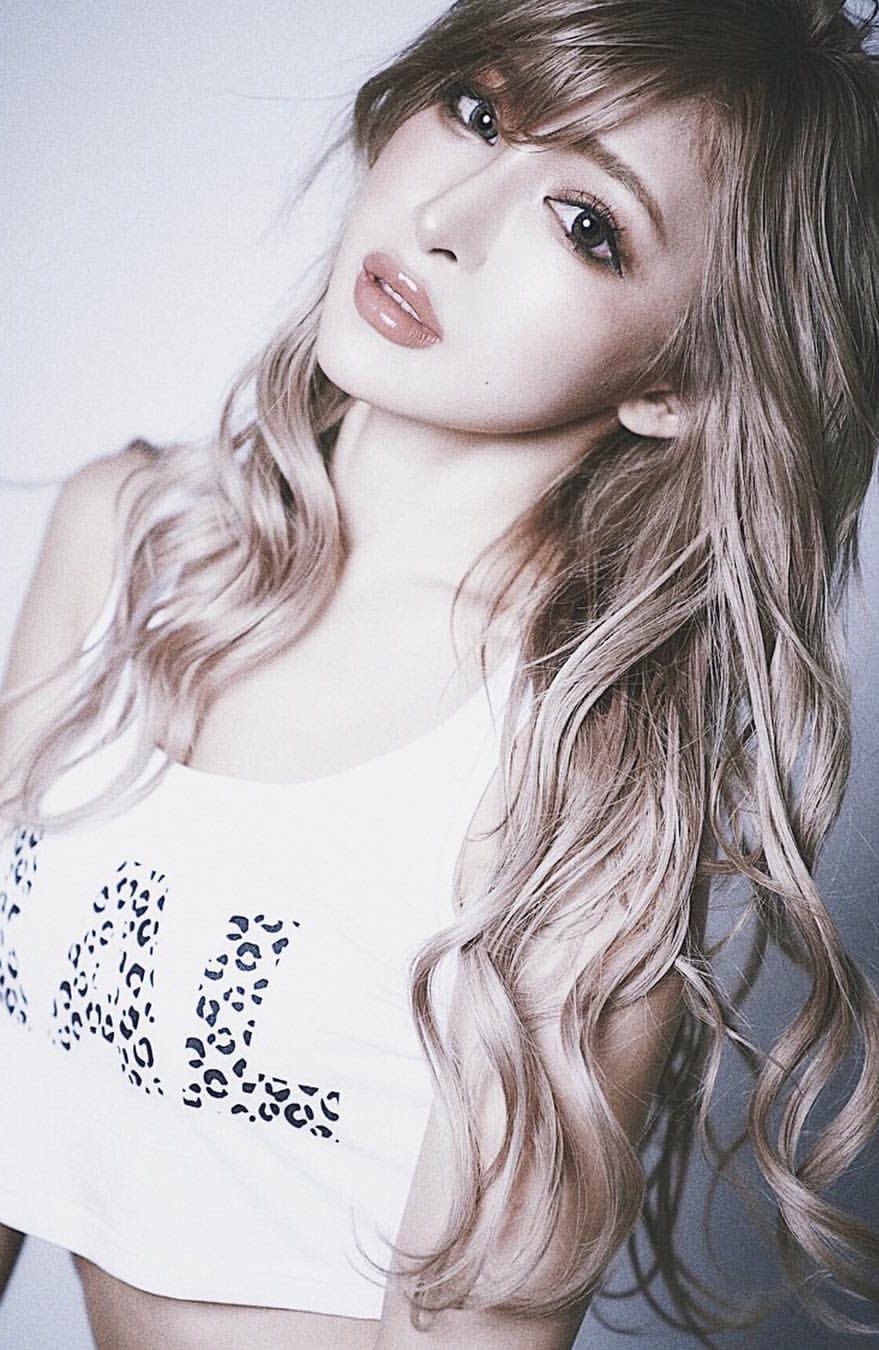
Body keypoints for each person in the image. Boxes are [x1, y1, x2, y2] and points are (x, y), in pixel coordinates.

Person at [1, 0, 878, 1346]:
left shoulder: (573, 777)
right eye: (479, 110)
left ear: (682, 381)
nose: (449, 217)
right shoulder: (122, 538)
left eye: (587, 223)